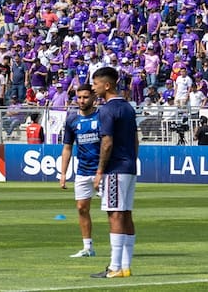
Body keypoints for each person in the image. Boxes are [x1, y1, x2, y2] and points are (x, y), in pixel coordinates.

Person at [90, 67, 137, 279]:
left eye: (96, 84)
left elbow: (106, 142)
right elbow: (136, 139)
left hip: (115, 168)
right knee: (126, 214)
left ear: (107, 85)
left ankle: (115, 266)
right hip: (128, 167)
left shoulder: (106, 110)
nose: (93, 88)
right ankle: (125, 267)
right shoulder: (128, 107)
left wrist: (100, 170)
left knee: (115, 214)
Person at [60, 84, 101, 258]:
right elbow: (67, 147)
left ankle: (119, 244)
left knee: (114, 211)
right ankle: (87, 247)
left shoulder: (102, 116)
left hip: (103, 171)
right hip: (83, 171)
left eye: (85, 97)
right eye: (79, 97)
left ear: (93, 98)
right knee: (81, 208)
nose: (82, 101)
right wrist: (63, 173)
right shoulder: (72, 120)